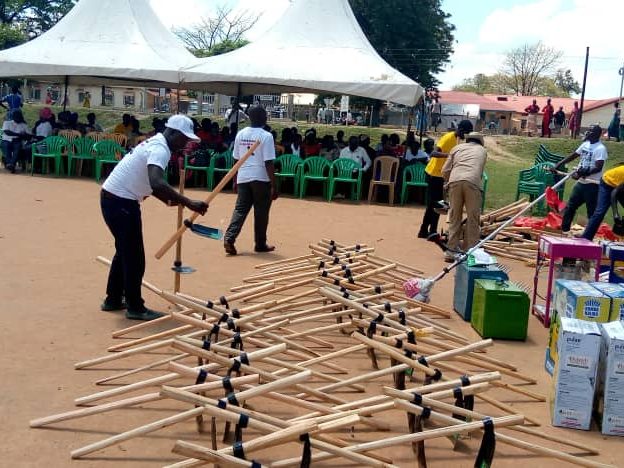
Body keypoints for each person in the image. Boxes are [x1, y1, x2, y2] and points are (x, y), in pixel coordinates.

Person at [100, 115, 207, 321]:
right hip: (121, 202)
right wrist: (187, 202)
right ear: (173, 133)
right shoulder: (160, 149)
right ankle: (135, 307)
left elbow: (150, 183)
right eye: (184, 139)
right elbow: (156, 182)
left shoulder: (156, 143)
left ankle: (113, 299)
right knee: (134, 256)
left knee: (124, 251)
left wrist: (167, 200)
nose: (185, 144)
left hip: (114, 198)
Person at [223, 106, 277, 256]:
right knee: (261, 212)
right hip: (260, 178)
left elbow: (236, 160)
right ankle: (260, 244)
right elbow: (268, 163)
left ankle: (229, 237)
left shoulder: (241, 134)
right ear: (263, 118)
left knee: (240, 210)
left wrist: (235, 180)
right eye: (265, 115)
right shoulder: (266, 136)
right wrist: (274, 185)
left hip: (243, 177)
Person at [418, 119, 473, 238]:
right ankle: (426, 230)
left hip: (441, 176)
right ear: (462, 130)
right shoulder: (448, 138)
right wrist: (450, 156)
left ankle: (429, 230)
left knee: (437, 205)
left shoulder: (459, 141)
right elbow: (433, 153)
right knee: (435, 205)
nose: (466, 136)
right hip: (433, 174)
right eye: (466, 133)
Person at [552, 125, 608, 236]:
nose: (587, 133)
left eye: (590, 131)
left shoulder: (600, 149)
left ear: (596, 134)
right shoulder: (585, 144)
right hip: (581, 184)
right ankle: (565, 231)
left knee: (591, 212)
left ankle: (589, 235)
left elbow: (598, 167)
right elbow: (573, 155)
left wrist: (582, 173)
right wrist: (558, 165)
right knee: (570, 207)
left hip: (593, 184)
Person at [441, 132, 488, 262]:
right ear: (480, 142)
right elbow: (479, 170)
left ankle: (450, 252)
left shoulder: (456, 148)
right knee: (473, 217)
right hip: (472, 183)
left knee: (455, 216)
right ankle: (470, 251)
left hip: (455, 181)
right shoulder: (482, 151)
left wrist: (448, 181)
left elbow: (444, 170)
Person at [580, 165, 624, 240]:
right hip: (607, 183)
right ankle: (585, 239)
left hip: (619, 185)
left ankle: (620, 234)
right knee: (600, 212)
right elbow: (614, 193)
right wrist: (615, 214)